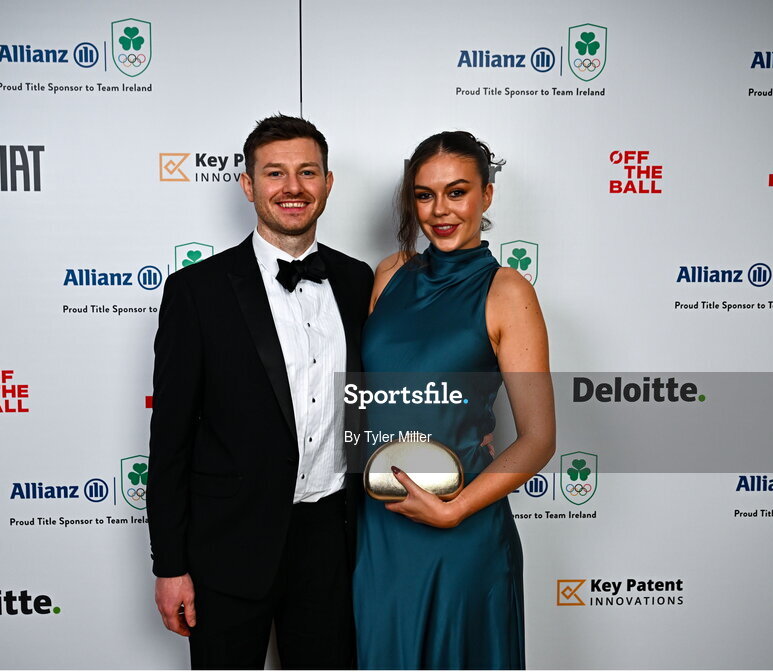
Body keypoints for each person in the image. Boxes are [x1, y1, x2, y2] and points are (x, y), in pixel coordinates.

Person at [147, 114, 373, 670]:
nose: (293, 187)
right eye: (275, 173)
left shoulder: (358, 281)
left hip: (331, 542)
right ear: (248, 185)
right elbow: (169, 439)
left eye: (307, 172)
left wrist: (464, 426)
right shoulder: (196, 291)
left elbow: (384, 396)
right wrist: (169, 566)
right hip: (227, 546)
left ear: (327, 183)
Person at [353, 131, 556, 669]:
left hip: (461, 528)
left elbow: (538, 439)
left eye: (457, 192)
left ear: (486, 195)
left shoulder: (508, 292)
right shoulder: (390, 273)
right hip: (381, 529)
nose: (439, 210)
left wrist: (455, 509)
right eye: (425, 195)